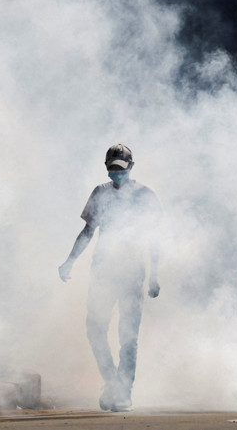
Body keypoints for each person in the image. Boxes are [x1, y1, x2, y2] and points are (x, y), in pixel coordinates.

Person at [59, 144, 161, 412]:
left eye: (121, 169)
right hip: (103, 272)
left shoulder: (145, 196)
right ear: (106, 168)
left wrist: (154, 275)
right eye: (112, 170)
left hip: (131, 273)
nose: (116, 174)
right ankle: (113, 383)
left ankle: (124, 393)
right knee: (95, 329)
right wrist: (70, 260)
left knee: (128, 336)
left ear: (131, 167)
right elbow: (88, 231)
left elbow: (155, 238)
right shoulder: (100, 193)